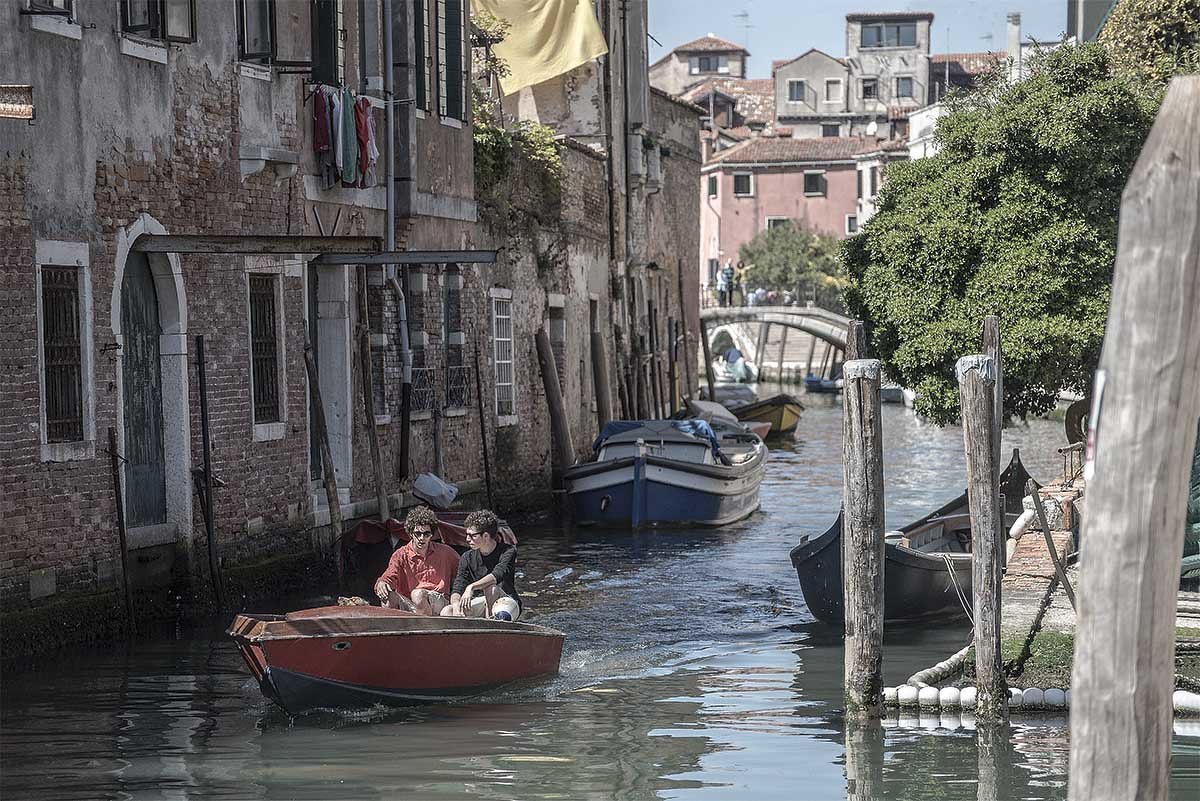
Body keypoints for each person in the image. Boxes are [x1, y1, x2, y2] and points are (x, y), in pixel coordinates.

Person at [374, 505, 460, 615]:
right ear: (411, 534)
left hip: (439, 601)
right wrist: (382, 583)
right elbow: (390, 575)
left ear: (431, 535)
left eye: (426, 534)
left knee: (417, 594)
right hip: (411, 604)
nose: (421, 538)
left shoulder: (446, 552)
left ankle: (426, 628)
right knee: (388, 597)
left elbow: (464, 572)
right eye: (418, 533)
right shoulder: (400, 555)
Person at [441, 509, 522, 621]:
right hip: (481, 601)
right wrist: (456, 606)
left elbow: (497, 575)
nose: (467, 539)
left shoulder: (508, 551)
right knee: (447, 611)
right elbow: (458, 586)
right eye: (467, 534)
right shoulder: (466, 557)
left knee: (491, 588)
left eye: (472, 535)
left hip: (506, 603)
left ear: (486, 536)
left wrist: (471, 587)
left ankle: (492, 625)